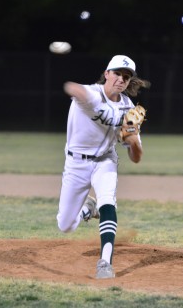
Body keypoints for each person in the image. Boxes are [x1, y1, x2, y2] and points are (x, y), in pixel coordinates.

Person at [56, 54, 150, 279]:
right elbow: (71, 88)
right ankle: (89, 209)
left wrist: (133, 140)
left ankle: (105, 263)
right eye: (117, 73)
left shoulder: (129, 109)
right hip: (76, 164)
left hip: (105, 162)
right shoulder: (92, 94)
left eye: (126, 77)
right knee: (66, 226)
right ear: (107, 74)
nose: (121, 79)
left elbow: (136, 158)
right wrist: (102, 112)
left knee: (108, 201)